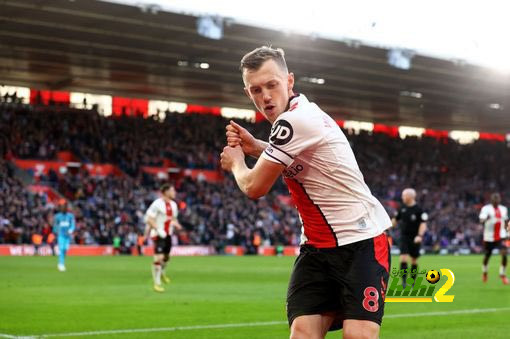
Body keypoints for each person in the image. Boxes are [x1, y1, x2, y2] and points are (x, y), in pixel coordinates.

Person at [221, 46, 392, 339]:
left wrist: (237, 163)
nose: (265, 96)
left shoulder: (295, 121)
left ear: (289, 81)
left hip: (361, 242)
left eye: (272, 85)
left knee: (358, 335)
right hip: (316, 248)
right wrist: (257, 147)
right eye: (255, 90)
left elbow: (253, 186)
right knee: (302, 334)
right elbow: (302, 160)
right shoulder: (300, 115)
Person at [144, 183, 182, 292]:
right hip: (158, 234)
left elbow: (173, 219)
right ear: (166, 192)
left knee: (166, 258)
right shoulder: (157, 204)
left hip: (168, 234)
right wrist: (158, 229)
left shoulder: (174, 205)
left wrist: (176, 224)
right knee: (159, 258)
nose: (174, 192)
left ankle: (162, 273)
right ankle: (157, 283)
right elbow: (149, 219)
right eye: (172, 190)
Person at [391, 188, 428, 287]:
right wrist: (386, 227)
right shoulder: (401, 208)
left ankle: (412, 281)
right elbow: (395, 220)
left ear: (410, 196)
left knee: (414, 260)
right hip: (404, 237)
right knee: (403, 258)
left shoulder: (419, 210)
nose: (402, 197)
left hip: (415, 238)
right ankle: (403, 281)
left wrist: (419, 236)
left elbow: (423, 224)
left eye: (404, 195)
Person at [479, 193, 509, 284]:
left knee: (504, 254)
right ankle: (484, 273)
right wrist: (485, 219)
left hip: (501, 236)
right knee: (487, 255)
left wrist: (507, 232)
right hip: (488, 237)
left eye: (497, 199)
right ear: (491, 200)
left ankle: (502, 275)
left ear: (499, 200)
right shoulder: (486, 209)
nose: (496, 200)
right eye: (494, 199)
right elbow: (481, 221)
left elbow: (506, 221)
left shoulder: (503, 209)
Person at [53, 199, 75, 271]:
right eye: (61, 206)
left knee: (65, 249)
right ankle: (61, 264)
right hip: (61, 235)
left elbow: (73, 225)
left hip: (68, 236)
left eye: (64, 206)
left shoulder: (70, 216)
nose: (63, 207)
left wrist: (71, 230)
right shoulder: (57, 216)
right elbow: (55, 226)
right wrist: (57, 231)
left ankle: (61, 263)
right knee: (61, 249)